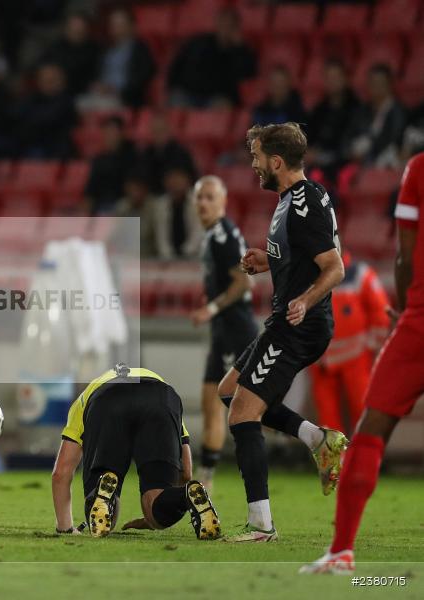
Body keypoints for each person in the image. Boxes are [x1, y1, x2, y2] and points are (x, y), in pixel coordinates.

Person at [221, 123, 347, 542]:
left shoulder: (303, 204)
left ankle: (261, 526)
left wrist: (304, 300)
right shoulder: (292, 199)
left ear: (276, 161)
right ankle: (317, 438)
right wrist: (267, 262)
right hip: (287, 321)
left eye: (257, 157)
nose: (253, 164)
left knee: (242, 413)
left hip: (297, 325)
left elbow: (334, 267)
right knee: (229, 391)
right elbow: (301, 257)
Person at [301, 152, 424, 574]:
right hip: (344, 356)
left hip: (417, 325)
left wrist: (408, 312)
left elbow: (405, 258)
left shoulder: (419, 170)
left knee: (369, 431)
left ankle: (341, 551)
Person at [51, 363, 221, 541]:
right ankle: (185, 495)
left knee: (104, 503)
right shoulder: (160, 386)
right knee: (156, 500)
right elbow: (186, 470)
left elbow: (61, 472)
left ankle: (103, 493)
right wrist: (154, 518)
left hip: (106, 400)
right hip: (160, 396)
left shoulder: (85, 397)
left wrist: (66, 528)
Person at [189, 176, 256, 491]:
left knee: (242, 409)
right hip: (223, 329)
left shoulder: (223, 236)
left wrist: (211, 309)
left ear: (223, 201)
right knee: (210, 402)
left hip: (235, 328)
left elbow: (244, 282)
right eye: (199, 197)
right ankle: (205, 478)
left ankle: (309, 435)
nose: (203, 203)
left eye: (209, 197)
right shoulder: (214, 235)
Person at [307, 251, 390, 434]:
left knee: (363, 410)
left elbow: (380, 313)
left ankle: (366, 457)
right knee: (326, 417)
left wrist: (372, 346)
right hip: (321, 360)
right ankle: (333, 461)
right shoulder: (307, 276)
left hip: (356, 357)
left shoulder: (360, 275)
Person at [166, 7, 256, 108]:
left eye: (229, 25)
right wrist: (172, 87)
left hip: (217, 97)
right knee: (176, 101)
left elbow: (248, 73)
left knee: (223, 106)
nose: (225, 28)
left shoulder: (241, 50)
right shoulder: (198, 43)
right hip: (189, 93)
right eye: (222, 23)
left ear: (236, 27)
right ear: (216, 24)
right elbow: (177, 65)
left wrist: (240, 48)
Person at [344, 65, 407, 168]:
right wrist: (351, 150)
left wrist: (369, 150)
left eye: (380, 83)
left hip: (382, 161)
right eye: (373, 83)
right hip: (358, 160)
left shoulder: (398, 112)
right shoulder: (363, 110)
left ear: (390, 84)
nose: (376, 86)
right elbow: (349, 133)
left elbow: (393, 140)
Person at [84, 115, 138, 215]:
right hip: (101, 207)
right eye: (106, 132)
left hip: (124, 205)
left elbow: (135, 187)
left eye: (113, 132)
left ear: (121, 133)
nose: (109, 136)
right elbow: (90, 192)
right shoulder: (99, 160)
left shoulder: (132, 156)